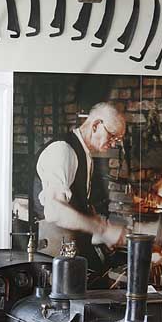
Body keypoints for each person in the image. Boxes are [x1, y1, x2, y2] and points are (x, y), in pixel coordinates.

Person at [32, 102, 127, 269]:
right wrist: (101, 230)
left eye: (117, 139)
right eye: (112, 136)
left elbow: (76, 203)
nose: (114, 144)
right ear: (96, 125)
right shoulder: (62, 150)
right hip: (51, 257)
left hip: (71, 251)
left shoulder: (85, 154)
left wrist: (100, 227)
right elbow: (55, 210)